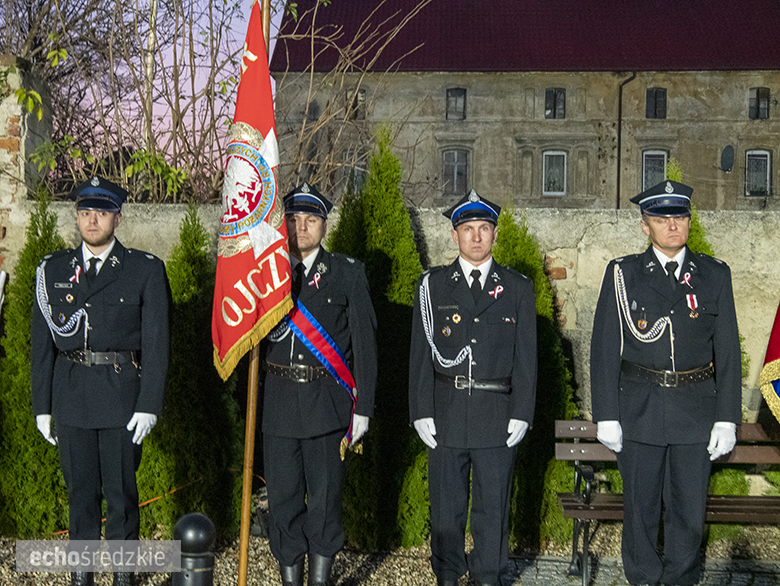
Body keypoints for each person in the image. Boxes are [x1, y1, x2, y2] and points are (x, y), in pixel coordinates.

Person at [590, 180, 741, 586]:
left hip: (696, 411)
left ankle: (681, 580)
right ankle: (642, 580)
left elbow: (727, 352)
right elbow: (604, 347)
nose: (673, 225)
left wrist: (727, 419)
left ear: (690, 221)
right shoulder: (624, 274)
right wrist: (606, 415)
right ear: (645, 226)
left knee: (689, 513)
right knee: (638, 513)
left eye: (680, 216)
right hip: (639, 411)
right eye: (662, 218)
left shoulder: (713, 275)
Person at [31, 177, 170, 586]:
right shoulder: (53, 270)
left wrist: (150, 403)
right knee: (80, 496)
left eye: (102, 213)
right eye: (86, 212)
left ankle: (124, 577)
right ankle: (81, 576)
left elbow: (158, 344)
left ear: (118, 218)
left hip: (121, 398)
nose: (93, 221)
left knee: (122, 498)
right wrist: (43, 406)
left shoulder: (144, 269)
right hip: (71, 396)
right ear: (77, 216)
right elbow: (41, 346)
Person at [409, 190, 537, 586]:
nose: (476, 237)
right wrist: (420, 409)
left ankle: (489, 577)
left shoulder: (516, 288)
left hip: (497, 415)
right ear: (454, 235)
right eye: (468, 229)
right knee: (446, 510)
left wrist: (522, 411)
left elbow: (527, 358)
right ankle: (447, 576)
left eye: (484, 229)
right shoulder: (432, 287)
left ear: (495, 235)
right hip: (446, 412)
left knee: (493, 510)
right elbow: (419, 356)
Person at [261, 182, 377, 586]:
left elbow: (365, 345)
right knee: (283, 501)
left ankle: (319, 581)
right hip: (276, 405)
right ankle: (290, 579)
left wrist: (363, 408)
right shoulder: (266, 274)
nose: (301, 228)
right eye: (294, 220)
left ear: (324, 226)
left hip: (327, 406)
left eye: (311, 220)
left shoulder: (346, 272)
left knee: (325, 503)